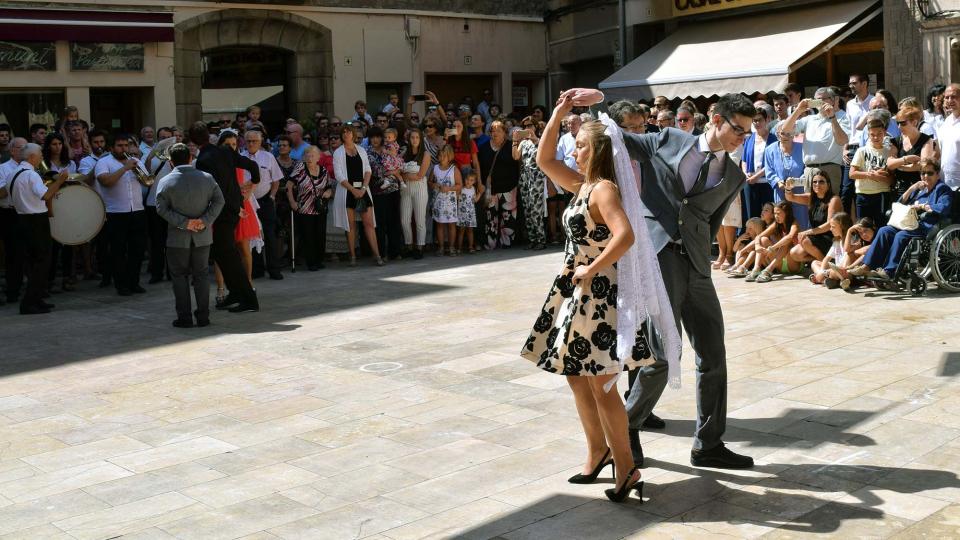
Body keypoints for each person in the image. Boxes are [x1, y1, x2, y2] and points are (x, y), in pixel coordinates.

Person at [561, 88, 756, 469]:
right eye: (738, 129)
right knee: (661, 357)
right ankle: (626, 428)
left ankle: (708, 444)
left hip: (697, 265)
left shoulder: (733, 175)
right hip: (658, 257)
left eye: (747, 133)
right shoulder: (667, 139)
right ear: (715, 119)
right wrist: (594, 103)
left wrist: (705, 256)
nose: (741, 138)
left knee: (713, 354)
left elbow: (711, 223)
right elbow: (616, 137)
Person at [524, 93, 669, 504]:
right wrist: (557, 113)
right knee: (576, 376)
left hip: (600, 297)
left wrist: (591, 267)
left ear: (598, 150)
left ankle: (626, 467)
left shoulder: (603, 189)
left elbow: (625, 235)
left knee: (603, 385)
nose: (574, 149)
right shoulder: (581, 184)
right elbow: (544, 159)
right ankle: (598, 451)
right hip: (579, 296)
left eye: (581, 145)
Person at [190, 121, 261, 313]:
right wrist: (254, 182)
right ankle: (236, 293)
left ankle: (248, 298)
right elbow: (252, 165)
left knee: (228, 256)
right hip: (231, 209)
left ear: (193, 142)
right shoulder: (225, 151)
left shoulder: (204, 159)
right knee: (222, 254)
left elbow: (215, 189)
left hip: (223, 212)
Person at [155, 143, 224, 328]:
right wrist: (204, 220)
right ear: (190, 158)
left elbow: (161, 209)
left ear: (170, 161)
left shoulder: (165, 181)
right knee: (201, 276)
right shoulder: (207, 178)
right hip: (202, 235)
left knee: (179, 277)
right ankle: (203, 317)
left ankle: (184, 317)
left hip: (178, 238)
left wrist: (185, 223)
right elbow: (219, 201)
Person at [849, 159, 952, 282]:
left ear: (937, 173)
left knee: (901, 235)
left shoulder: (943, 189)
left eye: (929, 173)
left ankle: (889, 271)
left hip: (926, 225)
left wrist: (923, 206)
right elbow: (898, 205)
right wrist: (911, 189)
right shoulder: (920, 189)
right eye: (922, 173)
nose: (925, 176)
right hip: (909, 224)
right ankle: (867, 266)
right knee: (884, 231)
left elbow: (944, 208)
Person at [6, 144, 67, 314]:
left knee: (33, 262)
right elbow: (46, 195)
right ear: (32, 156)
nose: (41, 157)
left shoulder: (13, 174)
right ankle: (29, 302)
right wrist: (60, 181)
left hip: (21, 218)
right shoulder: (31, 175)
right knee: (41, 262)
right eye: (40, 154)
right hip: (35, 220)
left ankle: (37, 298)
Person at [94, 134, 148, 297]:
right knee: (118, 251)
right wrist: (125, 168)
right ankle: (121, 284)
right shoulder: (104, 163)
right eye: (119, 145)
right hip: (116, 213)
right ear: (111, 148)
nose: (124, 148)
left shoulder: (136, 162)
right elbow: (105, 182)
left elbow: (147, 181)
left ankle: (134, 282)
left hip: (137, 210)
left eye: (126, 145)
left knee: (137, 249)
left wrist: (137, 169)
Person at [778, 87, 850, 195]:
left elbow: (842, 141)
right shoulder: (810, 119)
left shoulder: (842, 117)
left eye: (823, 99)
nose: (819, 103)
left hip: (829, 168)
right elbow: (785, 130)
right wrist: (798, 110)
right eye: (816, 100)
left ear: (834, 100)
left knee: (830, 206)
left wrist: (832, 117)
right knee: (812, 208)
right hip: (809, 170)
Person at [332, 124, 382, 267]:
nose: (346, 134)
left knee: (369, 224)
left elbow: (368, 169)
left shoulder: (361, 150)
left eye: (349, 132)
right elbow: (339, 175)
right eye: (344, 132)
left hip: (363, 190)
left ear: (353, 134)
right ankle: (352, 256)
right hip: (347, 191)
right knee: (351, 225)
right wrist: (354, 190)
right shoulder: (338, 153)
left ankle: (377, 255)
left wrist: (364, 188)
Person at [242, 129, 285, 281]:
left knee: (270, 236)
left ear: (260, 142)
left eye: (254, 141)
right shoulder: (240, 158)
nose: (251, 144)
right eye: (249, 141)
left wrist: (272, 196)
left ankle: (274, 269)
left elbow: (276, 179)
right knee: (252, 235)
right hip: (247, 202)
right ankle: (257, 269)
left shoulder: (268, 157)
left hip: (266, 200)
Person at [287, 145, 333, 271]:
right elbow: (289, 185)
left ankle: (319, 260)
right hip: (305, 208)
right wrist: (292, 202)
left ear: (318, 157)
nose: (309, 157)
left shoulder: (323, 170)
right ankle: (311, 262)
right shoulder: (300, 168)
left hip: (320, 208)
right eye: (307, 154)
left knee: (320, 235)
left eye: (312, 155)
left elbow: (329, 186)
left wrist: (328, 192)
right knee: (308, 236)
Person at [479, 121, 520, 249]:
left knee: (508, 218)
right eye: (493, 130)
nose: (495, 133)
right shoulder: (484, 147)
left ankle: (506, 243)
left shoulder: (510, 146)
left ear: (504, 133)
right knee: (490, 217)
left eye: (498, 130)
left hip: (509, 187)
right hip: (491, 189)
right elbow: (480, 167)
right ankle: (490, 244)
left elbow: (518, 164)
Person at [787, 169, 842, 263]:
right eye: (814, 182)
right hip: (816, 236)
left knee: (805, 240)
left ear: (828, 185)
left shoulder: (834, 200)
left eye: (821, 182)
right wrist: (788, 188)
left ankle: (824, 265)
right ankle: (825, 261)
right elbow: (790, 197)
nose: (817, 184)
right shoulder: (811, 198)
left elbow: (829, 225)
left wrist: (807, 232)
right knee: (794, 253)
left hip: (830, 237)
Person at [850, 117, 894, 226]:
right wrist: (870, 175)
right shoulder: (861, 151)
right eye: (872, 134)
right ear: (868, 134)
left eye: (879, 134)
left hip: (881, 194)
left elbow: (892, 179)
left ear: (884, 133)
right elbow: (852, 173)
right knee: (863, 227)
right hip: (862, 194)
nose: (876, 137)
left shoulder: (889, 152)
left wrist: (880, 177)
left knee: (881, 225)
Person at [0, 138, 28, 303]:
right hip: (10, 214)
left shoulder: (32, 168)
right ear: (12, 151)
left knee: (32, 252)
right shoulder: (3, 169)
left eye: (27, 148)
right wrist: (16, 178)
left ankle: (35, 289)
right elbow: (1, 194)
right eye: (21, 148)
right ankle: (13, 291)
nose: (25, 151)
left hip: (29, 213)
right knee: (14, 254)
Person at [888, 106, 936, 201]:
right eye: (898, 123)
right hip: (899, 188)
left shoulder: (926, 140)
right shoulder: (896, 141)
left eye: (903, 123)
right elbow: (889, 164)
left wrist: (899, 166)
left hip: (919, 189)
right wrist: (906, 159)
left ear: (914, 122)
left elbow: (923, 166)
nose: (899, 127)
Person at [764, 128, 809, 229]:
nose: (784, 136)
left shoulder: (802, 148)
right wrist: (778, 181)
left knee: (800, 222)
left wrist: (796, 182)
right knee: (782, 223)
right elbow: (769, 172)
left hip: (799, 192)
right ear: (777, 135)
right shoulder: (769, 150)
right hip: (780, 192)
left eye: (788, 133)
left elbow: (807, 169)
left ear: (793, 134)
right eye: (782, 134)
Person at [746, 201, 801, 283]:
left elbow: (789, 237)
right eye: (775, 213)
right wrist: (757, 245)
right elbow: (759, 236)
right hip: (779, 263)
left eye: (778, 213)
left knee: (787, 242)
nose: (776, 216)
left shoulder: (794, 223)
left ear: (787, 213)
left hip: (792, 264)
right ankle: (756, 269)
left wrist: (772, 248)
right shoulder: (776, 224)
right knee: (763, 239)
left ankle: (768, 270)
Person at [515, 120, 547, 250]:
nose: (528, 128)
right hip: (524, 177)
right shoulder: (523, 143)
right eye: (525, 126)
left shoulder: (541, 140)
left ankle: (541, 239)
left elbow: (545, 155)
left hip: (537, 177)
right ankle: (532, 239)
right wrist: (514, 140)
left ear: (535, 127)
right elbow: (516, 156)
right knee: (527, 210)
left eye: (530, 126)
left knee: (536, 210)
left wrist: (535, 138)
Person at [400, 128, 431, 259]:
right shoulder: (404, 154)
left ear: (421, 139)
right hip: (405, 190)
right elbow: (398, 172)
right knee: (404, 220)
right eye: (412, 137)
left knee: (419, 220)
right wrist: (404, 175)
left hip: (419, 189)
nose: (414, 140)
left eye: (417, 137)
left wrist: (405, 175)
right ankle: (409, 245)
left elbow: (420, 175)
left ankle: (420, 247)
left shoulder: (426, 154)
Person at [429, 144, 461, 255]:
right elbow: (430, 182)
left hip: (450, 203)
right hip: (438, 202)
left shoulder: (454, 169)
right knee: (439, 224)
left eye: (444, 156)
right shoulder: (435, 168)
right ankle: (441, 247)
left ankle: (451, 247)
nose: (441, 158)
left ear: (450, 156)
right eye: (440, 155)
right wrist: (434, 185)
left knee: (452, 224)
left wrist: (449, 188)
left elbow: (459, 185)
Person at [809, 212, 853, 287]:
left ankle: (825, 280)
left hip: (845, 271)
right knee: (814, 263)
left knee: (832, 272)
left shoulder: (850, 241)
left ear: (842, 227)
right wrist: (822, 271)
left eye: (833, 227)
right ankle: (827, 281)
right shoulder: (837, 241)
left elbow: (844, 266)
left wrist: (824, 273)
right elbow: (826, 258)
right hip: (835, 271)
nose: (830, 229)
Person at [937, 84, 960, 189]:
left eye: (954, 97)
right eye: (947, 97)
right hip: (945, 183)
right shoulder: (947, 121)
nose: (950, 100)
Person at [846, 73, 873, 144]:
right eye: (850, 84)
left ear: (864, 84)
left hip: (872, 145)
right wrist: (845, 147)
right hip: (854, 146)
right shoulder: (850, 104)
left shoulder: (875, 102)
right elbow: (848, 127)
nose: (851, 86)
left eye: (854, 83)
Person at [457, 170, 480, 253]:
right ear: (464, 179)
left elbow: (475, 200)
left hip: (470, 214)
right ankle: (459, 248)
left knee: (470, 231)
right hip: (462, 214)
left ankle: (470, 247)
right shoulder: (461, 188)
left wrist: (480, 193)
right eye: (467, 179)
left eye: (471, 180)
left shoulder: (473, 189)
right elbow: (457, 197)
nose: (468, 182)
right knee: (461, 231)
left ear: (474, 181)